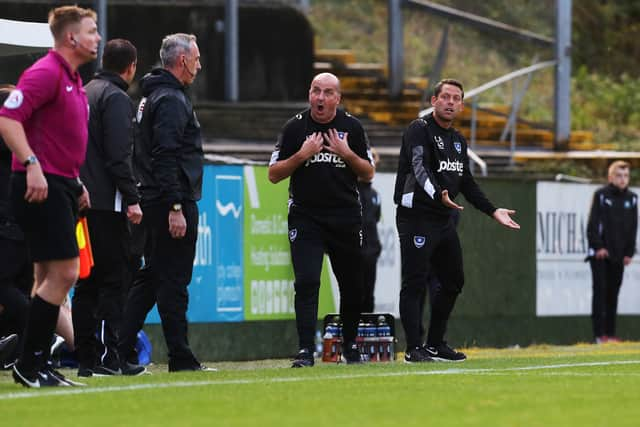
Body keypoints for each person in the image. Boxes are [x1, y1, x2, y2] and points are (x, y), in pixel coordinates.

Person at [0, 5, 101, 387]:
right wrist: (31, 163)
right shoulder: (45, 72)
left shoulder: (72, 79)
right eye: (92, 31)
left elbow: (60, 139)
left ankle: (36, 363)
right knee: (66, 272)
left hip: (60, 183)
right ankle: (30, 364)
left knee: (45, 276)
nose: (97, 38)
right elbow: (8, 118)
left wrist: (76, 182)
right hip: (40, 186)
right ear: (71, 37)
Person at [393, 78, 520, 363]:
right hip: (416, 217)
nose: (450, 102)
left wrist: (492, 210)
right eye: (445, 97)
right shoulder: (419, 129)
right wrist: (439, 195)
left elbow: (467, 183)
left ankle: (436, 344)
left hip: (442, 218)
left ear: (461, 105)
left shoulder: (459, 141)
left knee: (453, 280)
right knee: (414, 282)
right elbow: (419, 167)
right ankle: (414, 348)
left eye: (456, 98)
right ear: (433, 101)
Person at [118, 33, 213, 373]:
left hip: (153, 198)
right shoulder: (171, 99)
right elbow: (166, 154)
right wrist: (175, 205)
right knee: (172, 280)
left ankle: (119, 347)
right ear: (183, 60)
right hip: (168, 200)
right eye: (197, 58)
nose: (200, 66)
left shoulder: (151, 96)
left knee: (151, 278)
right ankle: (180, 355)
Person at [269, 72, 375, 367]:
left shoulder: (351, 127)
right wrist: (302, 155)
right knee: (306, 282)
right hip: (306, 217)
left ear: (338, 99)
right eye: (316, 91)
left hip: (345, 217)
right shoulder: (295, 128)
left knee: (353, 284)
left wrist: (347, 153)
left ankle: (350, 345)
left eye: (328, 92)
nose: (320, 98)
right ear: (309, 94)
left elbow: (368, 172)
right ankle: (305, 350)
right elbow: (273, 174)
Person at [72, 38, 144, 377]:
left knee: (85, 281)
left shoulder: (84, 92)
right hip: (107, 205)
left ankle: (86, 358)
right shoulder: (116, 98)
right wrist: (131, 197)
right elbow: (118, 155)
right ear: (130, 67)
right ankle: (107, 357)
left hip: (80, 201)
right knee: (113, 280)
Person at [586, 160, 637, 344]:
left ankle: (610, 333)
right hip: (600, 255)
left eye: (625, 176)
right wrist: (598, 247)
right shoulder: (601, 195)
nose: (623, 179)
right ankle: (599, 335)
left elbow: (633, 227)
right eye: (619, 175)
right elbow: (592, 224)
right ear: (610, 177)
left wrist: (629, 252)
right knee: (600, 292)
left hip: (618, 255)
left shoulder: (632, 198)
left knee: (613, 294)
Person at [358, 147, 382, 313]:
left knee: (369, 294)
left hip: (371, 251)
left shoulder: (375, 194)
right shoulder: (350, 191)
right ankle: (350, 334)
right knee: (353, 293)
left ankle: (367, 333)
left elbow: (375, 219)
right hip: (354, 251)